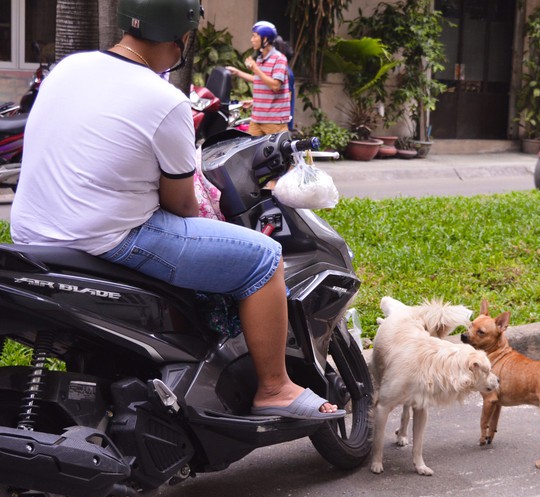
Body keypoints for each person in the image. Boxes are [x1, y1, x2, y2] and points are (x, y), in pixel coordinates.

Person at [10, 0, 342, 421]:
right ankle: (274, 388)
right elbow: (182, 204)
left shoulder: (70, 67)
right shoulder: (164, 99)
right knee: (261, 258)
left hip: (33, 234)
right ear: (181, 40)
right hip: (106, 237)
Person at [226, 21, 291, 136]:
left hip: (274, 121)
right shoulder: (260, 58)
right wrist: (238, 73)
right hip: (257, 119)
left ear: (265, 39)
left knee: (275, 154)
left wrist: (255, 68)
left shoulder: (279, 59)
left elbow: (275, 85)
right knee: (251, 152)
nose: (252, 39)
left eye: (254, 36)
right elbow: (260, 79)